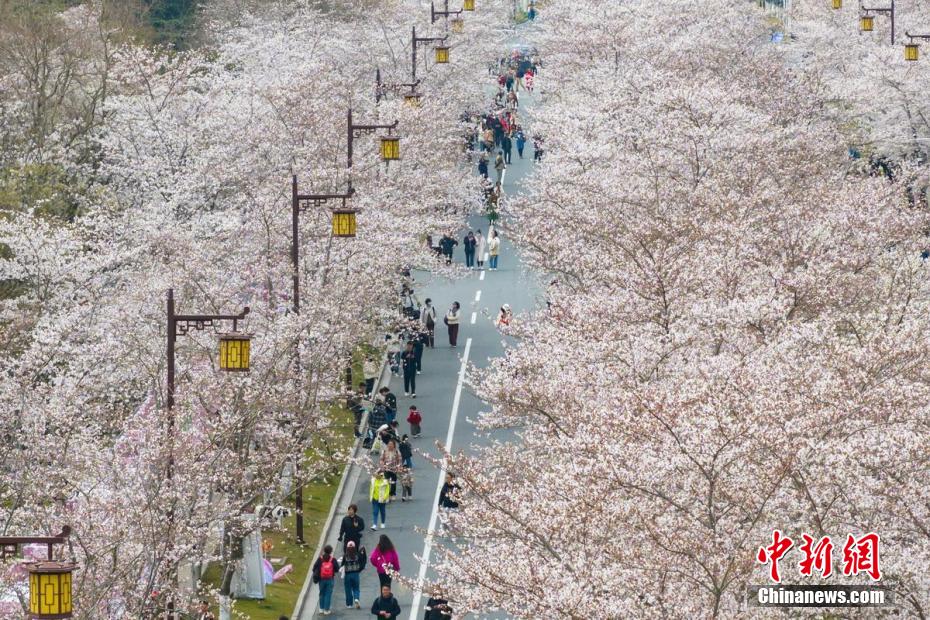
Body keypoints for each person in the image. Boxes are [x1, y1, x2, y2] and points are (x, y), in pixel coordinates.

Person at [312, 544, 339, 616]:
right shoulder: (332, 559)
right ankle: (326, 610)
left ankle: (321, 609)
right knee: (328, 594)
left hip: (321, 579)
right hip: (330, 579)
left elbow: (314, 568)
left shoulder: (320, 559)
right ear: (330, 552)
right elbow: (337, 569)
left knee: (322, 593)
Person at [340, 540, 366, 610]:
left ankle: (349, 604)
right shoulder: (357, 555)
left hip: (348, 575)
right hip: (356, 574)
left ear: (347, 548)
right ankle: (356, 598)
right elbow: (362, 561)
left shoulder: (345, 556)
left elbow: (342, 565)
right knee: (356, 588)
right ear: (355, 547)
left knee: (348, 589)